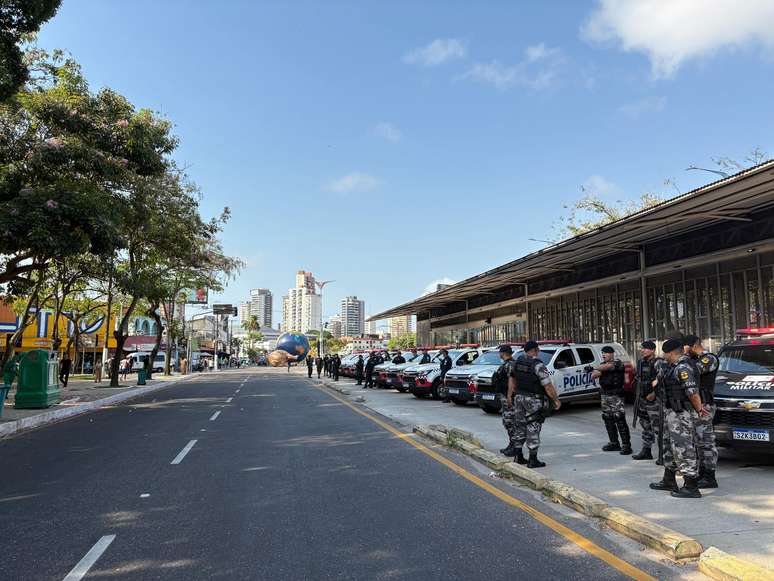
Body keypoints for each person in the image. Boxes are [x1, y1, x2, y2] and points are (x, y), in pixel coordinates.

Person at [650, 338, 708, 498]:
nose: (663, 355)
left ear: (670, 353)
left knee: (684, 448)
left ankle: (691, 486)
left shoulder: (683, 367)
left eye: (664, 352)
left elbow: (692, 392)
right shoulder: (671, 367)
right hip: (671, 413)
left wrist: (699, 409)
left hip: (681, 414)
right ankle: (669, 479)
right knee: (669, 446)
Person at [507, 340, 561, 467]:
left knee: (519, 426)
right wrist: (556, 400)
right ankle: (532, 460)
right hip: (533, 400)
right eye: (538, 349)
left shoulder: (516, 362)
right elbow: (547, 386)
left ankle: (518, 456)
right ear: (535, 350)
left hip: (519, 398)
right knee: (533, 426)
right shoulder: (538, 365)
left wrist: (510, 396)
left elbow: (512, 381)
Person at [684, 334, 720, 489]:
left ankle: (710, 476)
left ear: (693, 345)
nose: (683, 350)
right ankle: (702, 472)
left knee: (706, 441)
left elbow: (694, 372)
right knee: (698, 442)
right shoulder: (692, 360)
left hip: (705, 405)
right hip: (696, 405)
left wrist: (684, 357)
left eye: (685, 347)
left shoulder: (709, 358)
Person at [588, 346, 632, 455]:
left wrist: (594, 367)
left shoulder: (617, 363)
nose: (603, 355)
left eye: (606, 353)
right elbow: (594, 375)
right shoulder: (603, 365)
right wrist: (597, 369)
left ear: (612, 354)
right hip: (605, 395)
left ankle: (626, 445)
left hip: (616, 395)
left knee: (619, 419)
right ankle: (614, 443)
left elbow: (608, 367)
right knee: (608, 418)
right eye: (602, 353)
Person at [631, 341, 663, 461]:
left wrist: (654, 393)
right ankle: (646, 451)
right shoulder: (640, 362)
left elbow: (662, 379)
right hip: (642, 399)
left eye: (645, 349)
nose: (642, 350)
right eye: (642, 348)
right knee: (645, 426)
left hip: (653, 400)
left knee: (659, 428)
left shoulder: (658, 362)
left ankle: (663, 455)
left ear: (652, 350)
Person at [495, 345, 519, 457]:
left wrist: (509, 396)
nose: (499, 354)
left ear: (503, 353)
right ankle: (511, 444)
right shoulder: (507, 364)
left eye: (500, 352)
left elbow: (512, 382)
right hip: (504, 397)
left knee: (510, 422)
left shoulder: (510, 364)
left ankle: (515, 447)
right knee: (507, 422)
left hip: (509, 398)